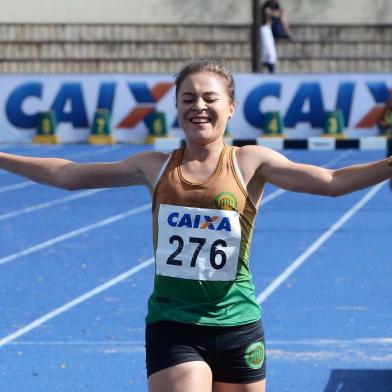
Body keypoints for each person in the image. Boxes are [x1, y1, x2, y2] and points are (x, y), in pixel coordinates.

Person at [1, 58, 392, 392]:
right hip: (175, 324)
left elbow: (332, 183)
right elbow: (69, 174)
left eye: (210, 98)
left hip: (239, 322)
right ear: (176, 107)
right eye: (188, 99)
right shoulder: (154, 167)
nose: (198, 107)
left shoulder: (249, 162)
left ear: (231, 107)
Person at [260, 4, 278, 73]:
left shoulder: (266, 28)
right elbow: (267, 43)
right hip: (267, 56)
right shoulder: (264, 29)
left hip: (266, 56)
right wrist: (269, 54)